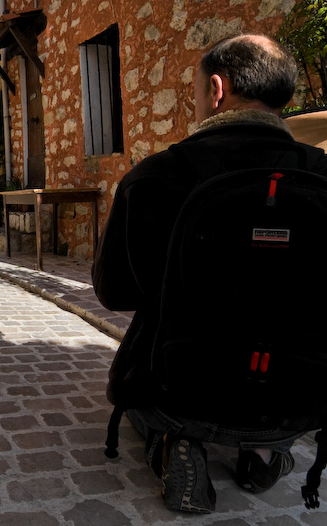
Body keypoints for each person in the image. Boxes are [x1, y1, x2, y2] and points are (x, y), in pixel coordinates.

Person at [92, 33, 327, 513]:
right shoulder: (321, 175)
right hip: (295, 395)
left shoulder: (155, 177)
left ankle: (174, 441)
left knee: (137, 379)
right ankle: (266, 451)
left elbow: (113, 291)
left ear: (217, 89)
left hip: (180, 387)